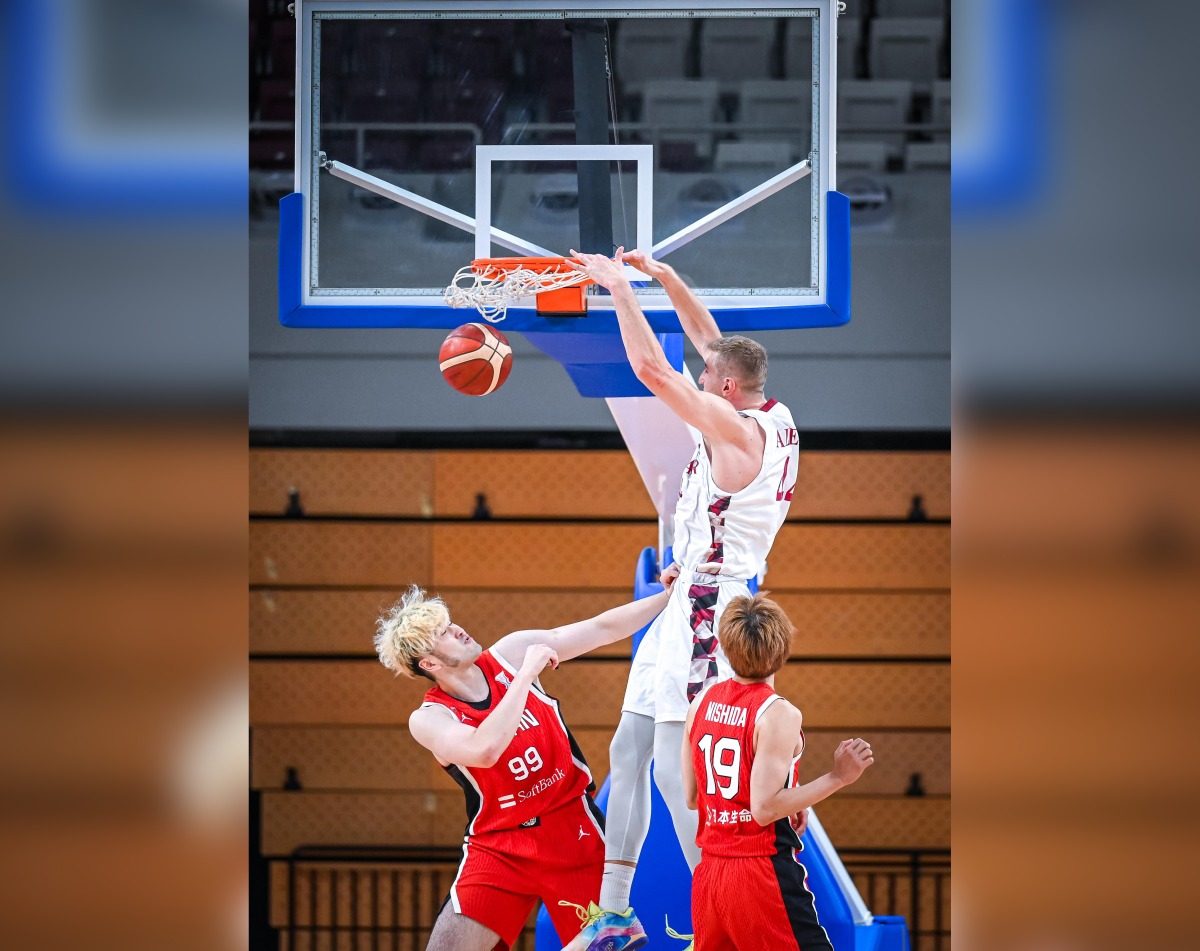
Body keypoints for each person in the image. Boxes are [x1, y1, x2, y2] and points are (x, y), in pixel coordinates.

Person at [563, 249, 801, 947]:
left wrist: (618, 293)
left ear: (725, 390)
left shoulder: (735, 435)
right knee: (628, 747)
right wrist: (664, 280)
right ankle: (613, 912)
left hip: (710, 609)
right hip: (688, 594)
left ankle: (722, 915)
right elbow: (707, 342)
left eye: (707, 381)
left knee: (675, 771)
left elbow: (653, 371)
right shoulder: (767, 405)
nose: (699, 380)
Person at [374, 581, 674, 951]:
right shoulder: (430, 717)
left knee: (612, 941)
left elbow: (601, 628)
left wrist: (666, 596)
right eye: (443, 633)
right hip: (500, 843)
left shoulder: (511, 652)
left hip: (571, 829)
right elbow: (484, 750)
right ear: (430, 664)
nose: (456, 629)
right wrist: (526, 676)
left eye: (449, 622)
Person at [681, 593, 875, 951]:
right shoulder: (778, 713)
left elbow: (693, 798)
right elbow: (765, 808)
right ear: (783, 650)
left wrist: (792, 793)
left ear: (725, 646)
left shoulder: (701, 703)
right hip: (759, 872)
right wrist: (837, 777)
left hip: (709, 875)